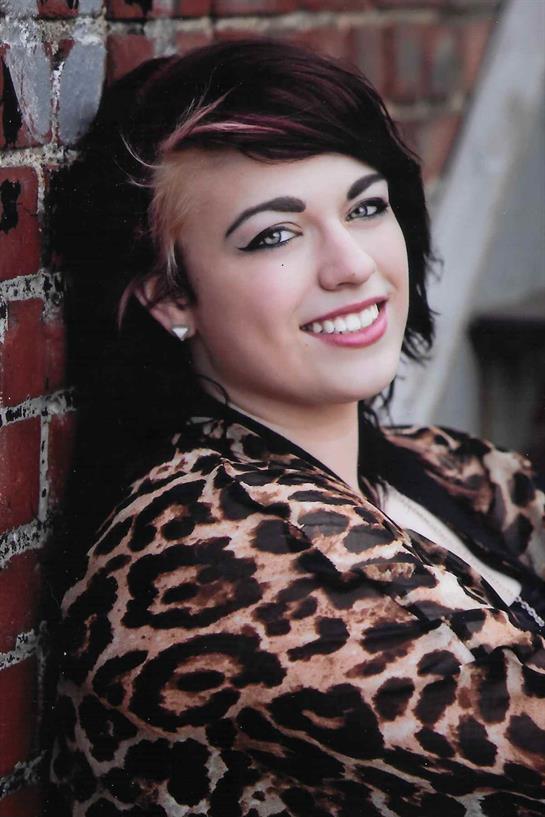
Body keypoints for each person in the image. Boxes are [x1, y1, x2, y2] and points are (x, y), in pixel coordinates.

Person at [49, 39, 545, 817]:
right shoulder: (204, 548)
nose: (350, 264)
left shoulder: (439, 469)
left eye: (364, 206)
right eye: (274, 235)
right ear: (169, 297)